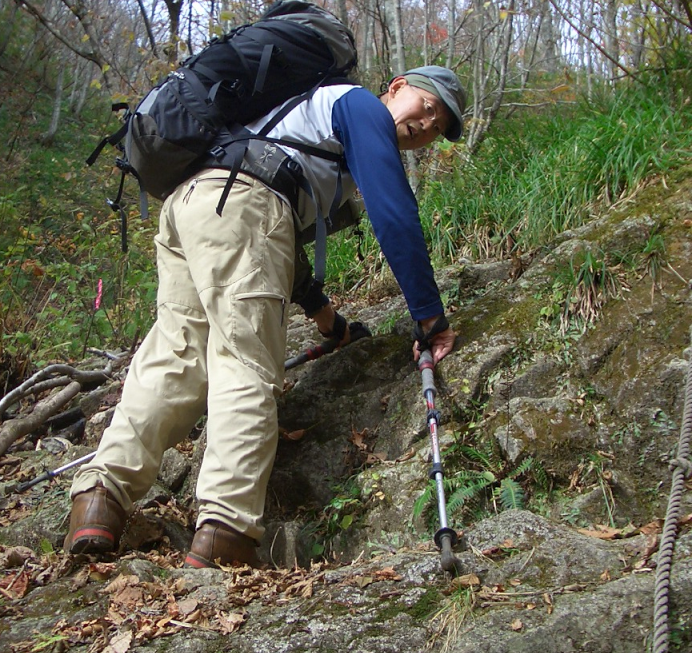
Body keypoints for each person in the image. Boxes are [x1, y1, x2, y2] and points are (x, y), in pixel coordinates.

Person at [64, 64, 466, 567]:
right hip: (243, 204)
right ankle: (226, 529)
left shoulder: (313, 119)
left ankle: (100, 498)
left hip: (193, 202)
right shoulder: (361, 107)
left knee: (177, 356)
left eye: (438, 126)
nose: (427, 125)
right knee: (244, 361)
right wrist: (429, 316)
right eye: (427, 107)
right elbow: (394, 211)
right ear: (398, 88)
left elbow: (272, 242)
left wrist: (327, 320)